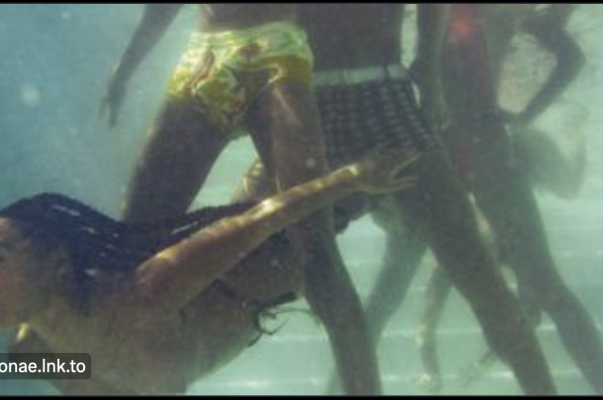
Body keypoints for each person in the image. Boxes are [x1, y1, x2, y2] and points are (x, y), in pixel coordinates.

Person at [235, 4, 556, 395]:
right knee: (310, 273)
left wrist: (429, 72)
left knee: (478, 275)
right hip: (309, 96)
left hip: (375, 92)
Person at [0, 150, 415, 395]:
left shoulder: (144, 295)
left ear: (57, 263)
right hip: (235, 301)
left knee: (341, 205)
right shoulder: (34, 352)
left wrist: (353, 177)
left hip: (264, 269)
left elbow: (263, 220)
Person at [101, 4, 380, 394]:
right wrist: (125, 68)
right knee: (130, 247)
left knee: (315, 249)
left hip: (272, 50)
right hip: (211, 54)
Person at [357, 4, 600, 394]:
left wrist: (521, 116)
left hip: (440, 150)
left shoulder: (488, 13)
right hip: (460, 150)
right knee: (545, 290)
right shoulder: (490, 14)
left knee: (388, 295)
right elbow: (570, 57)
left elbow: (571, 58)